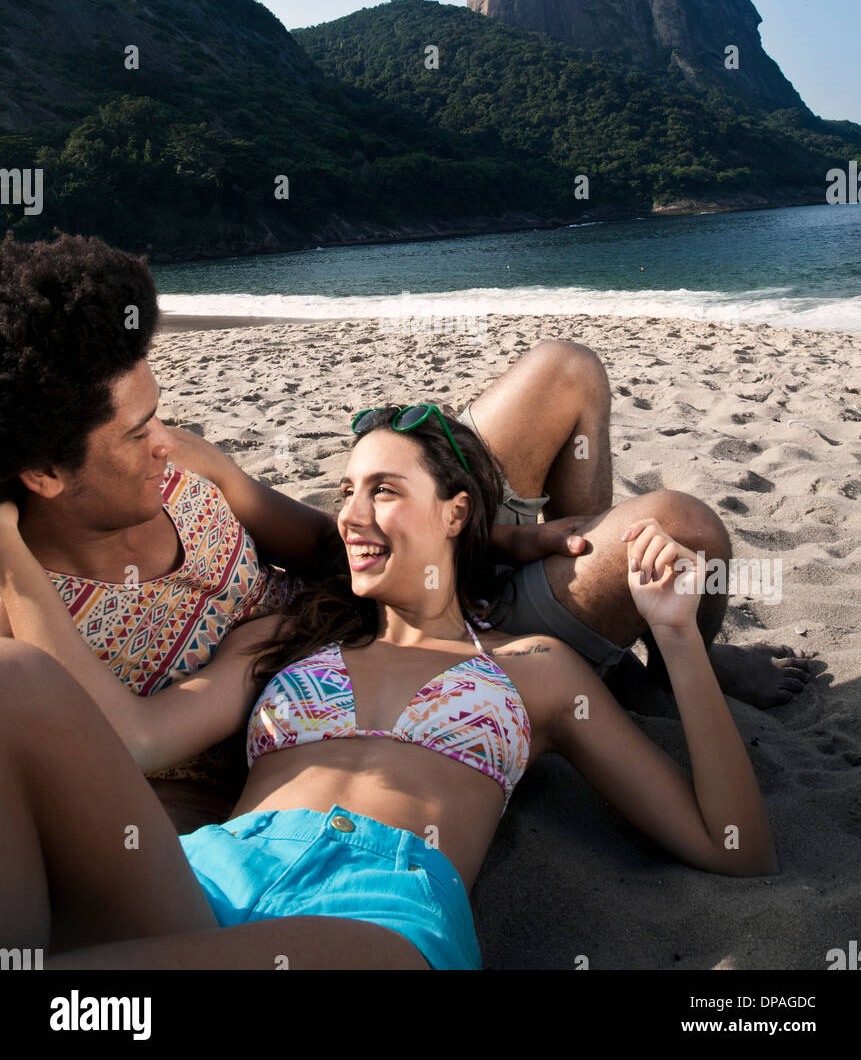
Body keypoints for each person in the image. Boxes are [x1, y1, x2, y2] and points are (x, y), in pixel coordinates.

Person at [0, 404, 778, 970]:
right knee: (12, 678)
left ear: (456, 512)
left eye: (384, 490)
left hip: (372, 911)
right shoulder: (285, 637)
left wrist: (677, 640)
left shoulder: (536, 669)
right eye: (345, 491)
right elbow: (134, 739)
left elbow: (733, 848)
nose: (350, 514)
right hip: (209, 876)